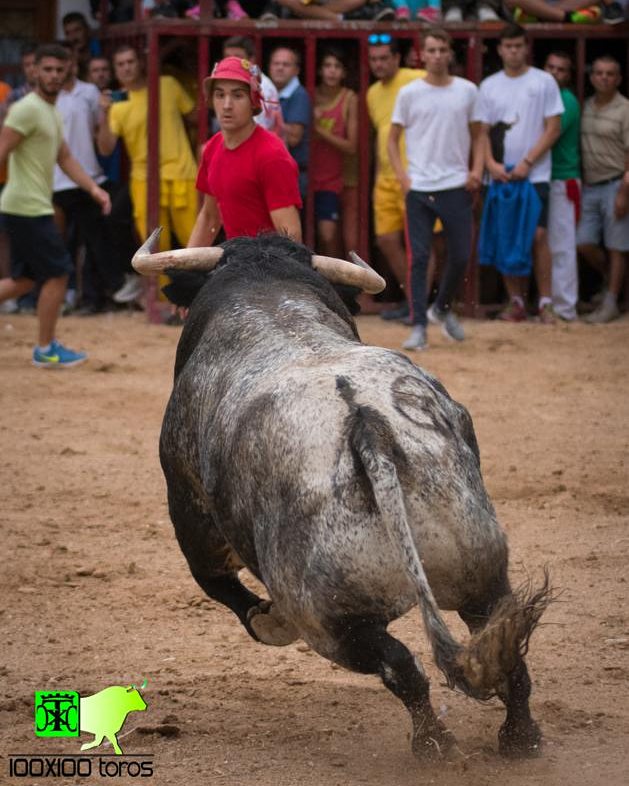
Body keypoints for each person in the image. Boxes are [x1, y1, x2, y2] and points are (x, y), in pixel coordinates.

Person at [0, 44, 111, 368]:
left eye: (58, 70)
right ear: (33, 70)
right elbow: (2, 149)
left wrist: (93, 189)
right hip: (26, 207)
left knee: (25, 281)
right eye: (46, 69)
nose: (52, 75)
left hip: (30, 206)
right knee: (59, 272)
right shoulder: (26, 109)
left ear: (67, 73)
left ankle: (46, 346)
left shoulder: (50, 110)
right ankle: (46, 348)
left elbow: (64, 157)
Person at [389, 28, 482, 350]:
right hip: (419, 187)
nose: (438, 55)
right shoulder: (410, 93)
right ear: (422, 54)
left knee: (460, 255)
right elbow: (391, 139)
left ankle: (441, 308)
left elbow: (480, 134)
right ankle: (418, 327)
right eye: (432, 50)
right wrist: (402, 177)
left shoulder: (468, 91)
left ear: (450, 53)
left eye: (443, 49)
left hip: (455, 184)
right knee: (420, 257)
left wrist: (478, 169)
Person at [474, 24, 563, 324]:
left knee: (538, 236)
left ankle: (547, 303)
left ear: (526, 47)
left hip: (534, 174)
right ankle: (516, 303)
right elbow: (482, 132)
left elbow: (553, 128)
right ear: (499, 49)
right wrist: (490, 164)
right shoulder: (489, 85)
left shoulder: (544, 81)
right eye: (508, 46)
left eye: (518, 45)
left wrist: (527, 161)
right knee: (506, 235)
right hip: (499, 176)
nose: (513, 51)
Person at [97, 44, 198, 301]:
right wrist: (104, 112)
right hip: (144, 179)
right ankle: (162, 302)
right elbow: (106, 148)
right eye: (121, 64)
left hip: (182, 171)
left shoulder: (167, 84)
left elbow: (196, 118)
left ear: (140, 63)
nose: (127, 68)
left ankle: (203, 298)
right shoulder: (118, 105)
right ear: (115, 70)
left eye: (130, 61)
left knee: (195, 241)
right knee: (154, 248)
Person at [188, 56, 302, 247]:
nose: (226, 105)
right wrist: (185, 269)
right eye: (220, 95)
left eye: (237, 95)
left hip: (270, 267)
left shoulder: (271, 154)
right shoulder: (212, 148)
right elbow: (209, 218)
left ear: (253, 101)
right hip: (236, 263)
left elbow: (290, 237)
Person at [52, 42, 119, 315]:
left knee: (94, 244)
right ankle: (67, 297)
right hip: (55, 181)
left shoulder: (89, 92)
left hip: (88, 177)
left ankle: (95, 298)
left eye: (65, 62)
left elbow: (100, 133)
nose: (60, 69)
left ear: (73, 63)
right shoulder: (46, 97)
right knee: (60, 244)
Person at [366, 34, 424, 320]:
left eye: (384, 58)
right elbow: (381, 137)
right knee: (386, 240)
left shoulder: (417, 78)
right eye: (373, 59)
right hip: (386, 178)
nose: (378, 64)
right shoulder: (372, 92)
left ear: (397, 59)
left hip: (416, 174)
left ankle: (420, 305)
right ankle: (415, 300)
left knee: (420, 243)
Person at [577, 55, 629, 324]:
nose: (604, 78)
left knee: (617, 246)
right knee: (584, 242)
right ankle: (612, 282)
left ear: (619, 79)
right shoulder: (586, 106)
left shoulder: (625, 109)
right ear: (592, 77)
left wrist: (624, 191)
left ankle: (610, 302)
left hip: (616, 183)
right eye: (599, 73)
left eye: (610, 74)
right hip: (591, 186)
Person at [544, 51, 581, 322]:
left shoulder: (566, 100)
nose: (555, 73)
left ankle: (566, 308)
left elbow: (547, 135)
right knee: (548, 243)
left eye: (562, 69)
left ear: (569, 76)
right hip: (546, 178)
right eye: (551, 67)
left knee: (563, 245)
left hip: (562, 178)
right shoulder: (548, 97)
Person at [311, 47, 358, 256]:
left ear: (344, 73)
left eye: (337, 67)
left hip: (341, 177)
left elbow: (352, 146)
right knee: (311, 238)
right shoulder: (308, 95)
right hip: (309, 175)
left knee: (340, 238)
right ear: (320, 70)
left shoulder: (349, 98)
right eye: (327, 66)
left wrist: (319, 130)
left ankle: (340, 286)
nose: (332, 71)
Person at [269, 46, 311, 201]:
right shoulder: (267, 91)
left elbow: (294, 137)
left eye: (286, 64)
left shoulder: (299, 95)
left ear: (296, 70)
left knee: (286, 225)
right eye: (276, 63)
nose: (280, 68)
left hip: (291, 176)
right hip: (274, 174)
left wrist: (267, 122)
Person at [222, 36, 283, 138]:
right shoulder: (239, 83)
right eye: (227, 57)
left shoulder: (262, 87)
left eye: (237, 58)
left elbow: (253, 132)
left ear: (251, 60)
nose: (231, 63)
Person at [504, 0, 625, 23]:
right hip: (570, 16)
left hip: (577, 11)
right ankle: (562, 17)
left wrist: (544, 12)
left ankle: (549, 15)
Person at [62, 11, 102, 80]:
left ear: (87, 29)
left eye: (77, 30)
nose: (73, 37)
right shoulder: (67, 55)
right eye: (68, 33)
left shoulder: (98, 48)